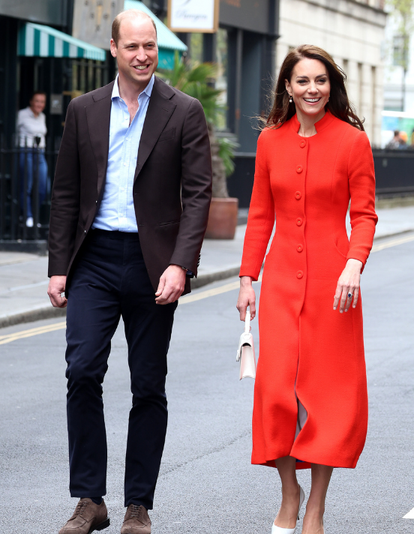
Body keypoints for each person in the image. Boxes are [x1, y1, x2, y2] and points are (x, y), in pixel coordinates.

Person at [47, 9, 212, 534]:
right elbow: (67, 193)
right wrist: (58, 268)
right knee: (82, 372)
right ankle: (89, 499)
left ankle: (137, 505)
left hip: (152, 263)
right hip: (93, 258)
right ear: (113, 48)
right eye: (133, 46)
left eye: (151, 47)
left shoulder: (183, 111)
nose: (143, 55)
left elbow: (198, 194)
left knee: (148, 384)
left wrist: (180, 264)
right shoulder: (84, 111)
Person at [236, 44, 377, 534]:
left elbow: (363, 215)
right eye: (303, 81)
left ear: (330, 86)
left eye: (320, 80)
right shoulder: (270, 141)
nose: (312, 89)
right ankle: (288, 491)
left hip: (333, 288)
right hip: (277, 284)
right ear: (288, 88)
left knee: (326, 399)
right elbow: (259, 216)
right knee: (276, 394)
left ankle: (314, 507)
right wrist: (247, 278)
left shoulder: (353, 141)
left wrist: (354, 266)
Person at [16, 91, 50, 228]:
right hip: (26, 151)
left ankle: (33, 214)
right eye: (37, 101)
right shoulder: (22, 115)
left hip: (40, 153)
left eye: (42, 102)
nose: (39, 104)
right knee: (27, 185)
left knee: (44, 187)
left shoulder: (42, 116)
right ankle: (28, 216)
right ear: (31, 101)